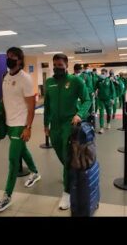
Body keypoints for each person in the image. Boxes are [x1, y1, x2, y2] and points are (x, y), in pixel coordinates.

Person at [0, 47, 41, 213]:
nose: (9, 59)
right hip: (9, 123)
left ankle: (7, 196)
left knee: (13, 160)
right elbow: (7, 98)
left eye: (13, 57)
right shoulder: (5, 77)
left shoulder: (25, 79)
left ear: (20, 60)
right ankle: (35, 172)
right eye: (7, 56)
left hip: (21, 124)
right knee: (22, 151)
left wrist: (28, 128)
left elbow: (31, 106)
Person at [44, 54, 91, 210]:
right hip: (54, 125)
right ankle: (73, 173)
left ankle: (67, 192)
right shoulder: (49, 82)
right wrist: (46, 124)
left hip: (69, 124)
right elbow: (47, 105)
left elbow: (87, 100)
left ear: (66, 65)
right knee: (61, 154)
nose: (57, 67)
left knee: (66, 153)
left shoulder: (75, 81)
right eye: (55, 65)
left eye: (60, 65)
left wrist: (79, 114)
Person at [96, 68, 116, 134]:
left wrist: (113, 99)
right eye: (102, 73)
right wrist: (94, 92)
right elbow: (95, 87)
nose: (102, 74)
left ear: (106, 74)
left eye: (104, 73)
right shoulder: (98, 81)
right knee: (101, 114)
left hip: (108, 100)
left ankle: (108, 123)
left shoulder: (109, 80)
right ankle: (101, 127)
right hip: (100, 100)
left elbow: (113, 90)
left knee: (109, 113)